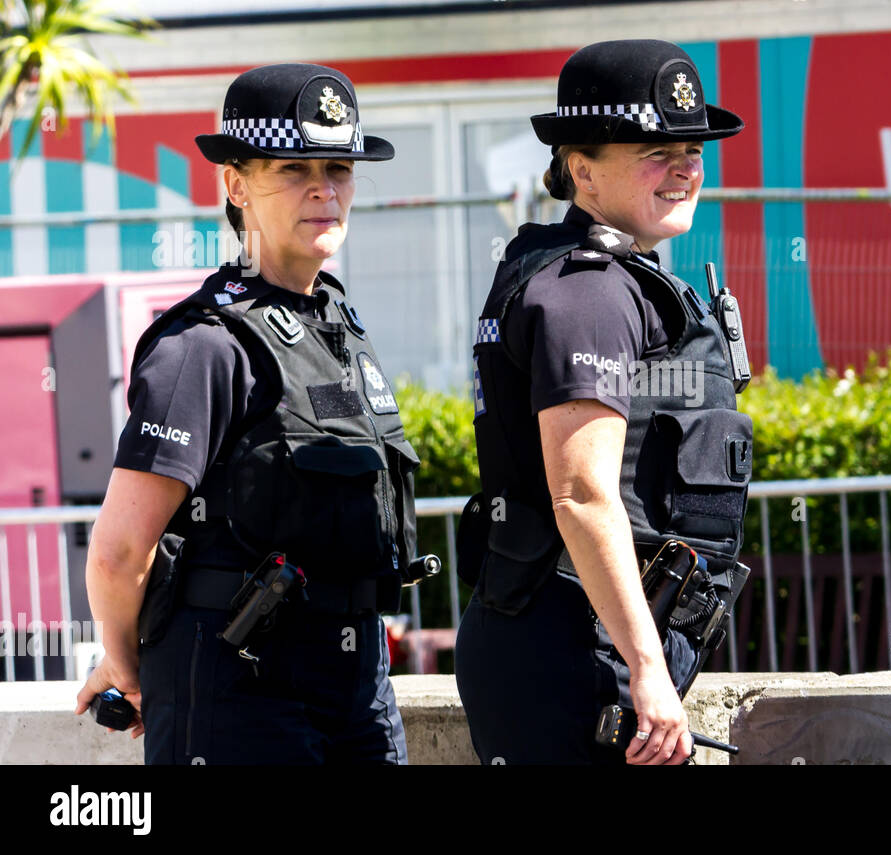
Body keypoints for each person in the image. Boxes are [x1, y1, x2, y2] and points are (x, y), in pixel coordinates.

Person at [74, 63, 426, 765]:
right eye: (294, 168)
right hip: (245, 694)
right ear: (235, 184)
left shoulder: (340, 329)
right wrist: (125, 663)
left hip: (357, 687)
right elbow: (118, 551)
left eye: (339, 167)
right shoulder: (202, 344)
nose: (325, 188)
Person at [454, 39, 753, 765]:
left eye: (693, 148)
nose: (684, 167)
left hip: (585, 637)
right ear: (581, 168)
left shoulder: (598, 274)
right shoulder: (589, 291)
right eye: (655, 148)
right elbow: (583, 493)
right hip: (579, 649)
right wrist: (647, 666)